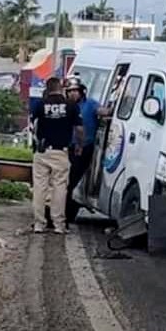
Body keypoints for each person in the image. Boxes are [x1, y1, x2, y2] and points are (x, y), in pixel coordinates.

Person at [31, 77, 84, 234]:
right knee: (59, 187)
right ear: (60, 88)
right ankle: (58, 224)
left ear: (47, 89)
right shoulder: (71, 106)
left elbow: (32, 127)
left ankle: (39, 224)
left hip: (42, 151)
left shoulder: (39, 105)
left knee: (40, 188)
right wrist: (79, 145)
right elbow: (79, 130)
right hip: (61, 152)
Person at [64, 76, 109, 223]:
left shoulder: (89, 104)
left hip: (84, 149)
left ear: (82, 91)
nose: (73, 94)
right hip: (67, 148)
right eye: (70, 91)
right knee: (65, 182)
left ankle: (69, 214)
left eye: (76, 91)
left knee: (75, 181)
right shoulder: (65, 106)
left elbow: (102, 111)